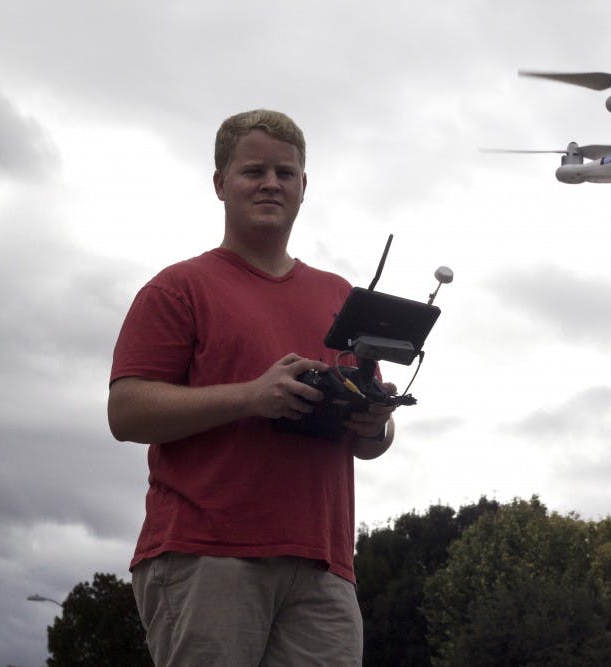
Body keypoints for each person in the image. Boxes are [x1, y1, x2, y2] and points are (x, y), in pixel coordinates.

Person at [108, 109, 396, 666]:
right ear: (220, 184)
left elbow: (373, 439)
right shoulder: (178, 288)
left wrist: (375, 423)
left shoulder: (340, 295)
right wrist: (251, 396)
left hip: (324, 566)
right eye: (253, 171)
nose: (271, 184)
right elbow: (125, 412)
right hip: (205, 556)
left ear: (304, 187)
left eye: (285, 173)